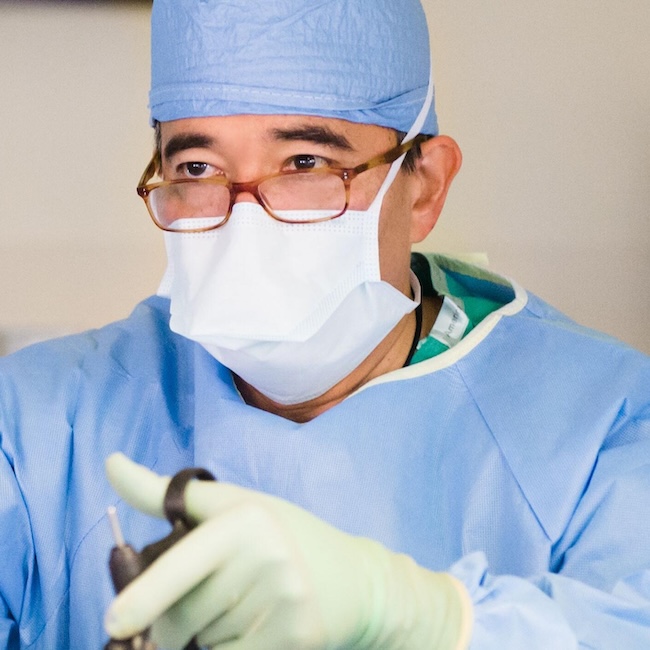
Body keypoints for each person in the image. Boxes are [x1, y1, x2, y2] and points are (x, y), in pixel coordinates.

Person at [1, 0, 649, 648]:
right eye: (197, 167)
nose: (245, 220)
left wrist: (429, 620)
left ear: (423, 185)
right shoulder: (38, 429)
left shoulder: (602, 429)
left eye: (306, 162)